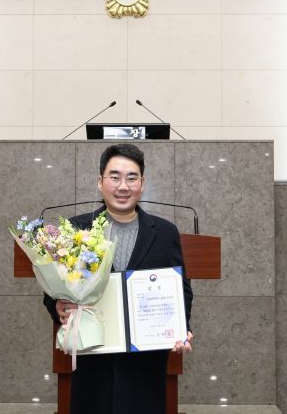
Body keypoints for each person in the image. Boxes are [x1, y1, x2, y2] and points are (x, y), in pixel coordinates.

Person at [43, 143, 194, 414]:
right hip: (93, 360)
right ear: (100, 182)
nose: (123, 186)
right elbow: (53, 291)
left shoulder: (165, 232)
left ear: (142, 184)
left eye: (131, 178)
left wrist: (181, 328)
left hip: (144, 365)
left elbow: (181, 290)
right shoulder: (77, 229)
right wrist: (58, 307)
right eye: (114, 177)